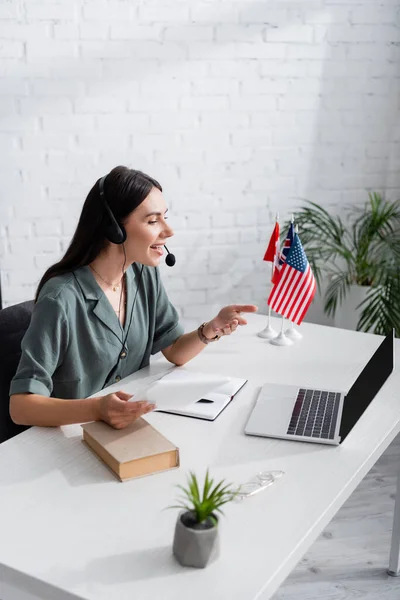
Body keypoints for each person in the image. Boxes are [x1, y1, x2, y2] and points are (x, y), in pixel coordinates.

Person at [9, 166, 258, 430]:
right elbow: (21, 406)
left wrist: (210, 330)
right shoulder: (61, 298)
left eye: (165, 217)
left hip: (130, 428)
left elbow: (174, 350)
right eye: (153, 221)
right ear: (114, 229)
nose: (168, 230)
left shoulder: (143, 275)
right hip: (71, 438)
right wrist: (97, 409)